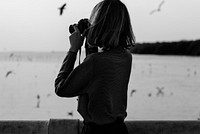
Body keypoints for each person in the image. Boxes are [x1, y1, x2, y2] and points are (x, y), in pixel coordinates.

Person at [55, 0, 135, 133]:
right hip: (119, 130)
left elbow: (61, 88)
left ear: (99, 25)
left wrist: (73, 49)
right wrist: (90, 45)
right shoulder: (126, 57)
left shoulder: (95, 61)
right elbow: (98, 80)